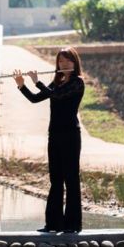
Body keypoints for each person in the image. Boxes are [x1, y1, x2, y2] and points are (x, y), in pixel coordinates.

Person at [13, 47, 85, 234]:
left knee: (71, 179)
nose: (64, 64)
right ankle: (53, 224)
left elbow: (58, 97)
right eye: (61, 62)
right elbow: (36, 99)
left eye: (68, 61)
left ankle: (72, 225)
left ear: (74, 63)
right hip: (54, 135)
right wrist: (22, 85)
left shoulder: (78, 83)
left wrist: (37, 81)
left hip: (70, 135)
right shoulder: (57, 82)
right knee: (55, 179)